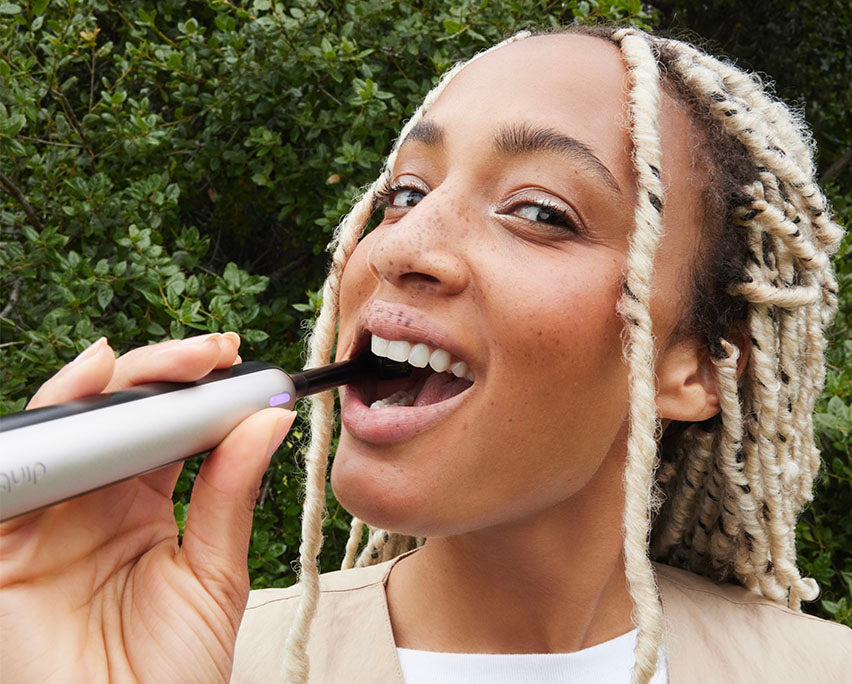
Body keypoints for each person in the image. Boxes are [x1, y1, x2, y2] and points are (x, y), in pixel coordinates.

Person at [1, 24, 849, 684]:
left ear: (700, 367)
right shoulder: (216, 661)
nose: (401, 245)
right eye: (405, 192)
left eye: (541, 212)